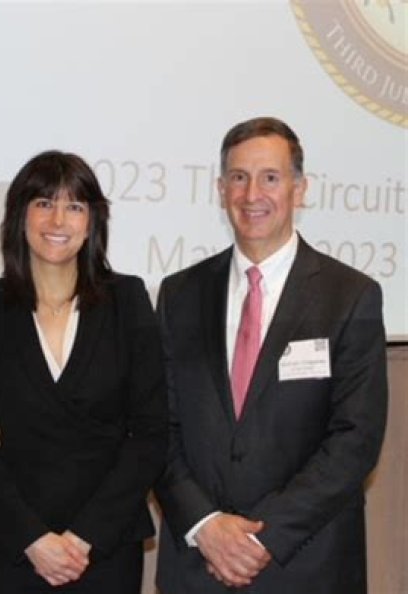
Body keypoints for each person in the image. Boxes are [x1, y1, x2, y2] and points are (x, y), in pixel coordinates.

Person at [153, 117, 388, 594]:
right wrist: (205, 525)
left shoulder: (350, 296)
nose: (251, 194)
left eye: (270, 178)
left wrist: (264, 538)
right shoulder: (178, 295)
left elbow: (355, 439)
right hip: (199, 564)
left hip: (306, 564)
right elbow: (158, 425)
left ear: (300, 190)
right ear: (221, 190)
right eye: (239, 177)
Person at [0, 150, 169, 593]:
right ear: (21, 216)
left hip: (106, 547)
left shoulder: (128, 300)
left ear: (92, 222)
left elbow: (150, 433)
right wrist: (33, 539)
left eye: (74, 206)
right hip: (13, 549)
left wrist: (85, 537)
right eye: (44, 203)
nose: (58, 220)